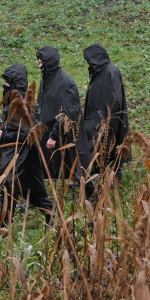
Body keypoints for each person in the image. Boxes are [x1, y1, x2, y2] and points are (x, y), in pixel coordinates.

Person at [0, 64, 53, 225]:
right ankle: (5, 227)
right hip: (12, 157)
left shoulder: (26, 105)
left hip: (24, 160)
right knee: (10, 192)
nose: (5, 86)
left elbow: (29, 135)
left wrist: (3, 136)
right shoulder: (12, 100)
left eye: (8, 83)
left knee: (29, 193)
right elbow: (7, 125)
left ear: (15, 84)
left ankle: (53, 219)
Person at [34, 46, 93, 191]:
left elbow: (67, 112)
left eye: (41, 62)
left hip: (67, 130)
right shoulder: (47, 78)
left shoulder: (65, 82)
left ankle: (90, 192)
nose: (39, 65)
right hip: (50, 126)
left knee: (77, 158)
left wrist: (54, 135)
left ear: (49, 62)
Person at [82, 44, 130, 177]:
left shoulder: (110, 71)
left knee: (110, 148)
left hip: (106, 121)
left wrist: (110, 123)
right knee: (97, 148)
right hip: (97, 119)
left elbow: (116, 100)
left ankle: (113, 177)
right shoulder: (98, 71)